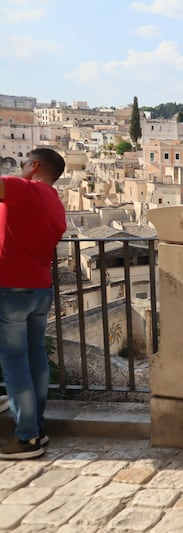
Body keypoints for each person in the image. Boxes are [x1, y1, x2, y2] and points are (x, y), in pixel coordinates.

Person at [0, 148, 66, 459]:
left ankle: (26, 438)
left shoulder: (21, 189)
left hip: (11, 287)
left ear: (34, 165)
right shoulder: (55, 202)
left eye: (25, 161)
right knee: (36, 357)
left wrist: (20, 176)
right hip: (40, 288)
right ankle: (37, 427)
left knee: (14, 363)